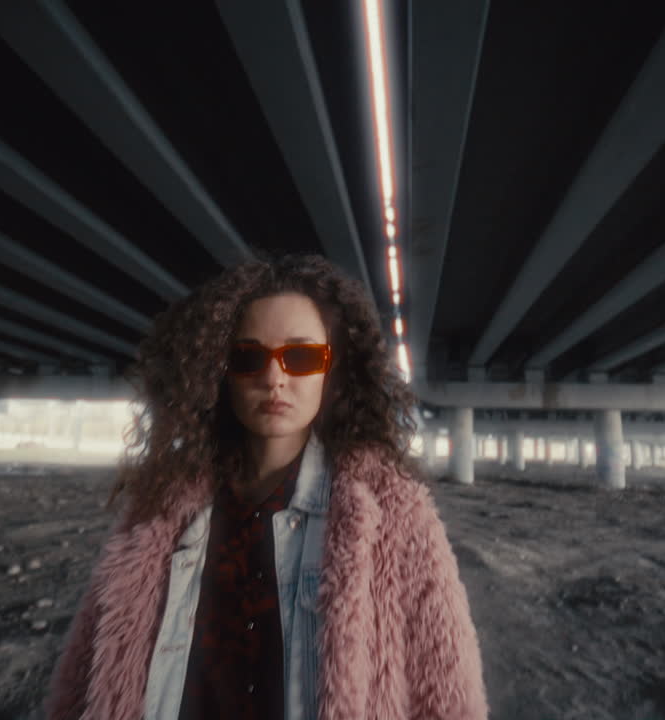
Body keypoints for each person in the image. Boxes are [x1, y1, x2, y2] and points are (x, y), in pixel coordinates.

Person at [45, 254, 487, 720]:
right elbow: (84, 678)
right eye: (248, 356)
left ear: (331, 372)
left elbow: (448, 694)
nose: (274, 378)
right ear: (221, 372)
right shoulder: (157, 512)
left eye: (300, 357)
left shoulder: (391, 512)